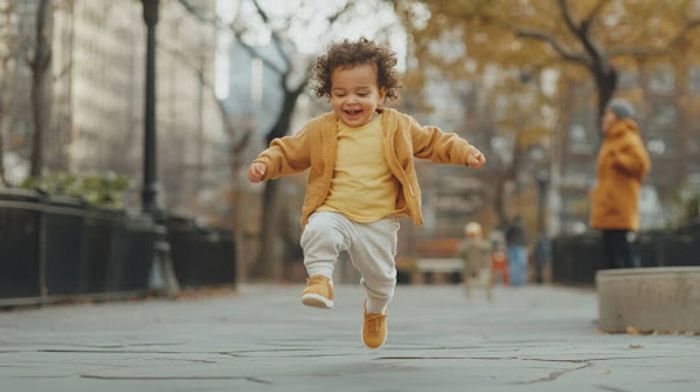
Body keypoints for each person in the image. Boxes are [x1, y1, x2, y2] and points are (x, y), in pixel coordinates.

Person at [247, 38, 486, 349]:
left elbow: (432, 141)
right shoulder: (321, 130)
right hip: (335, 211)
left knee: (382, 281)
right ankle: (320, 279)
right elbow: (289, 150)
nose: (350, 101)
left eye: (362, 93)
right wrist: (265, 164)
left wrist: (464, 152)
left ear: (381, 93)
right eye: (340, 93)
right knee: (318, 228)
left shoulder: (397, 126)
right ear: (328, 94)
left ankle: (375, 310)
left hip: (379, 222)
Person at [590, 98, 651, 269]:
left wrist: (620, 160)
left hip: (620, 207)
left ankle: (634, 292)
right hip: (608, 207)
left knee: (624, 253)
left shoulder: (628, 137)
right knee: (610, 257)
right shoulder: (610, 140)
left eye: (608, 113)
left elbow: (642, 164)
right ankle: (615, 293)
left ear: (616, 116)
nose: (604, 117)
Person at [458, 222, 492, 300]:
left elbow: (488, 248)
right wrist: (469, 245)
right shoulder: (465, 243)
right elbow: (461, 251)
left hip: (480, 265)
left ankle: (488, 293)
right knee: (466, 273)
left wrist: (478, 244)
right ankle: (468, 292)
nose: (472, 237)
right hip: (469, 265)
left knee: (485, 275)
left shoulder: (482, 243)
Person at [505, 216, 527, 286]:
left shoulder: (513, 228)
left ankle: (516, 280)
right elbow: (523, 238)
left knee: (515, 264)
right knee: (516, 264)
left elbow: (506, 236)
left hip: (515, 247)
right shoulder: (516, 228)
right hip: (516, 247)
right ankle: (516, 280)